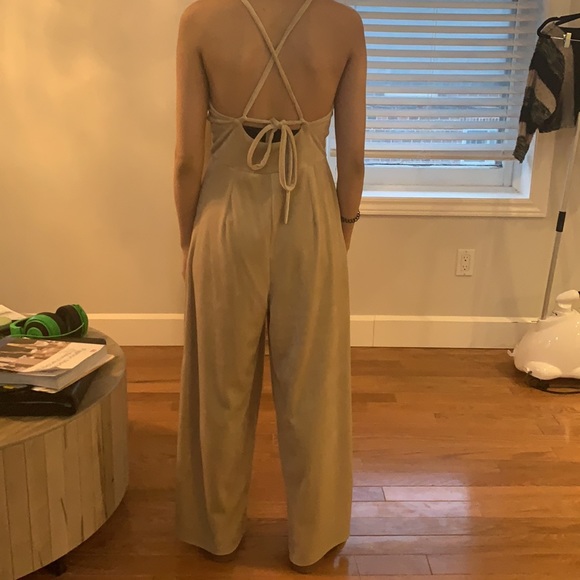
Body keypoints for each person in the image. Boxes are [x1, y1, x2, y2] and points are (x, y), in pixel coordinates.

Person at [173, 0, 366, 571]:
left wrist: (188, 240)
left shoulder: (199, 20)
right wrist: (344, 228)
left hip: (226, 212)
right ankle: (314, 538)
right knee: (314, 386)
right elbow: (354, 161)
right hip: (310, 213)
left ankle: (216, 531)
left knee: (219, 384)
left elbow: (186, 160)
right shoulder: (344, 24)